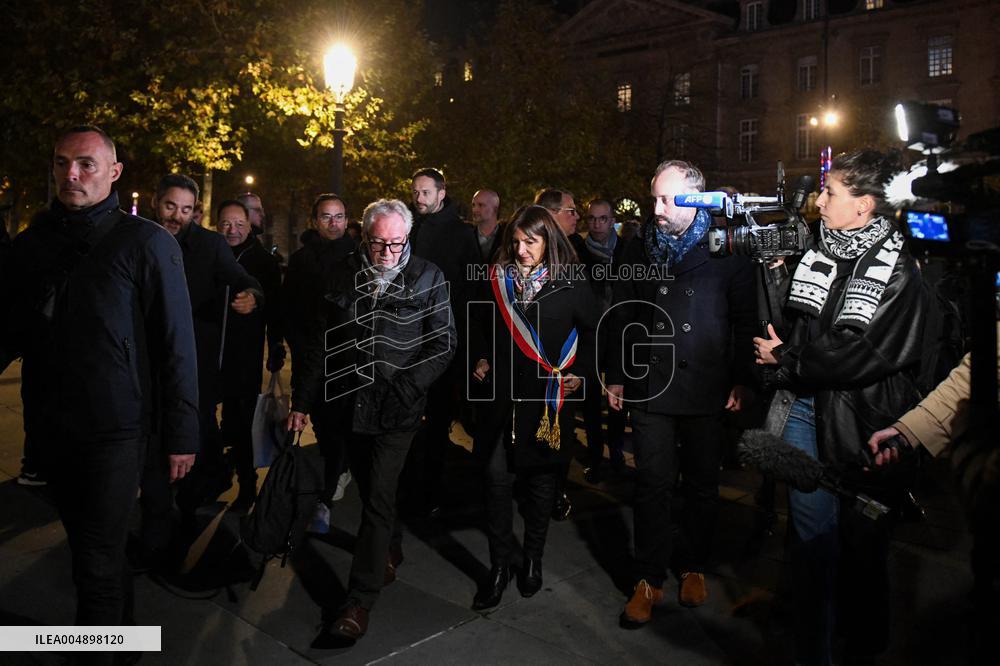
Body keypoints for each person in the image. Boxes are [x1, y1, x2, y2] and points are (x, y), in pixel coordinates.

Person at [0, 126, 198, 652]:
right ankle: (120, 642)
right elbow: (12, 328)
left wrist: (182, 434)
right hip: (51, 425)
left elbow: (177, 344)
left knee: (96, 556)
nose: (71, 174)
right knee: (91, 550)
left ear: (114, 172)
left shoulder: (148, 243)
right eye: (62, 162)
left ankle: (96, 652)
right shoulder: (32, 244)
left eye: (86, 164)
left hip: (117, 430)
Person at [754, 149, 926, 665]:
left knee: (863, 544)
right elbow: (795, 324)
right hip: (805, 410)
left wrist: (787, 358)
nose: (819, 200)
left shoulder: (899, 268)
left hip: (863, 420)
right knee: (812, 541)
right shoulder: (816, 248)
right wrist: (776, 273)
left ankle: (861, 645)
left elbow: (860, 353)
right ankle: (815, 651)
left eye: (830, 192)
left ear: (864, 205)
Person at [289, 198, 455, 641]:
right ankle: (390, 545)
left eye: (397, 243)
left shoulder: (429, 276)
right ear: (364, 238)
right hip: (350, 405)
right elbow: (320, 344)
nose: (388, 253)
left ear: (408, 238)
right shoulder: (340, 274)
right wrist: (301, 401)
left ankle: (358, 601)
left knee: (378, 497)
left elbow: (442, 343)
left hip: (398, 411)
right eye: (379, 243)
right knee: (370, 489)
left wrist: (405, 389)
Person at [605, 159, 756, 624]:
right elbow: (623, 313)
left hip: (704, 383)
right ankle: (648, 578)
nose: (657, 208)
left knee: (701, 485)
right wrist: (617, 373)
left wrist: (742, 378)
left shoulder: (727, 248)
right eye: (655, 198)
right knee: (651, 483)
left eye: (668, 199)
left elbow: (744, 319)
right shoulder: (637, 247)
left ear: (696, 198)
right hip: (650, 384)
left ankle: (693, 565)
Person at [468, 204, 597, 610]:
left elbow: (593, 332)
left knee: (540, 486)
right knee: (496, 483)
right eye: (516, 242)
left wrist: (582, 373)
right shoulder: (497, 279)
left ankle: (532, 560)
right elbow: (477, 323)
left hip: (545, 401)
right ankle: (499, 567)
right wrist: (480, 357)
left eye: (531, 242)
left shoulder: (572, 280)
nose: (521, 250)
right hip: (501, 400)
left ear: (549, 241)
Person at [151, 174, 262, 517]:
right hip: (148, 358)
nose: (177, 216)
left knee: (198, 427)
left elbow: (243, 279)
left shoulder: (210, 245)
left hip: (196, 360)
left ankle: (200, 488)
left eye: (186, 210)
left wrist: (251, 295)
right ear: (156, 203)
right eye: (170, 206)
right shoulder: (138, 238)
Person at [281, 193, 357, 529]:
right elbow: (289, 309)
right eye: (326, 216)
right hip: (310, 354)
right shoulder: (301, 260)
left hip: (345, 357)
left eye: (339, 216)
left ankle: (333, 481)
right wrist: (294, 345)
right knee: (322, 422)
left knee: (339, 424)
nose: (333, 223)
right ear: (315, 221)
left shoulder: (357, 257)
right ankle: (332, 473)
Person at [408, 168, 480, 516]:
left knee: (437, 418)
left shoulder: (462, 234)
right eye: (415, 192)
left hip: (443, 338)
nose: (419, 198)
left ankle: (430, 489)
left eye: (425, 192)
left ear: (441, 193)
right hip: (407, 337)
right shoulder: (409, 227)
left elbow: (472, 289)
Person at [216, 199, 284, 511]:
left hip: (244, 356)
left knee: (243, 423)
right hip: (207, 354)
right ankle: (212, 474)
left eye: (239, 224)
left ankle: (246, 483)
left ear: (249, 225)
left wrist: (276, 345)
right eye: (226, 224)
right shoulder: (209, 252)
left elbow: (275, 309)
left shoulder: (264, 261)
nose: (232, 230)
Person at [579, 198, 627, 483]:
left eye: (603, 218)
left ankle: (617, 450)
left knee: (619, 394)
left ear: (612, 221)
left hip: (619, 331)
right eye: (592, 218)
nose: (597, 224)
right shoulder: (579, 251)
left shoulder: (625, 250)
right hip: (590, 331)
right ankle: (596, 454)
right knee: (590, 399)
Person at [471, 189, 503, 262]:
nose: (475, 210)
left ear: (495, 208)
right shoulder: (466, 237)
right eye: (473, 205)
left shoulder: (507, 238)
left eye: (481, 205)